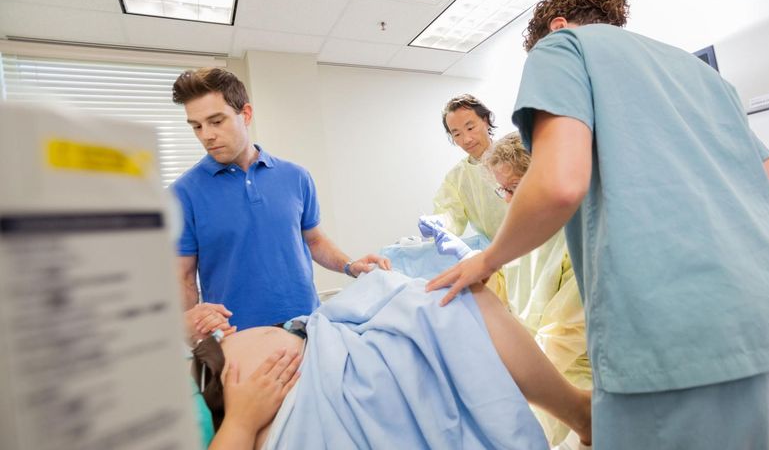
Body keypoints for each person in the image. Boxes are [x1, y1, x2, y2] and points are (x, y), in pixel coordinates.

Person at [427, 0, 769, 449]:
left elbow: (559, 185)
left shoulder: (562, 47)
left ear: (558, 26)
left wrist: (488, 259)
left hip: (682, 343)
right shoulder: (701, 75)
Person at [197, 270, 592, 449]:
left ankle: (578, 411)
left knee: (449, 298)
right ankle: (580, 413)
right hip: (304, 403)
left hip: (319, 343)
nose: (208, 135)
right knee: (450, 305)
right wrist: (241, 422)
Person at [170, 68, 389, 330]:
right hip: (237, 336)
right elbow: (183, 278)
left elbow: (314, 240)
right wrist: (191, 333)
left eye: (216, 121)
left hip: (306, 326)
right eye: (197, 126)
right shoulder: (182, 193)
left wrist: (350, 266)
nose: (206, 135)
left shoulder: (296, 176)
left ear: (245, 114)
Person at [422, 132, 591, 445]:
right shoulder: (527, 233)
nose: (508, 200)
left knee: (518, 432)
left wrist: (513, 374)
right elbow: (509, 283)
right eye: (503, 190)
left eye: (514, 188)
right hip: (536, 364)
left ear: (540, 179)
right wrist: (475, 266)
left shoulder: (578, 238)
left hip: (572, 373)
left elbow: (564, 334)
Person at [427, 94, 506, 240]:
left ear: (485, 121)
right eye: (457, 134)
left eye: (470, 128)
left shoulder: (516, 156)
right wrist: (438, 223)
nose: (466, 140)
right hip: (494, 250)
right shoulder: (456, 178)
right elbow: (450, 215)